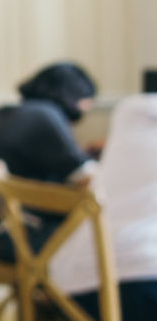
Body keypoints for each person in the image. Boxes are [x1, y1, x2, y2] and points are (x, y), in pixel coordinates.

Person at [0, 62, 98, 261]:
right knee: (94, 234)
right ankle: (53, 290)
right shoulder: (46, 116)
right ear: (77, 96)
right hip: (2, 236)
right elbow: (90, 178)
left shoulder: (9, 112)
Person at [47, 94, 157, 320]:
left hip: (69, 283)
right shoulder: (47, 117)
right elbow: (80, 172)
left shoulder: (128, 111)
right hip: (135, 285)